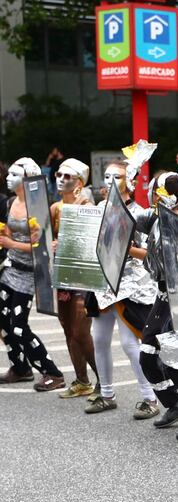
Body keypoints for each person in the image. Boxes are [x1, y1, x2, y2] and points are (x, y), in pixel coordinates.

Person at [83, 161, 159, 419]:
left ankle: (150, 398)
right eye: (106, 176)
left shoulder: (141, 212)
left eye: (117, 176)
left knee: (129, 343)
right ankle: (106, 394)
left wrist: (124, 248)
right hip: (103, 283)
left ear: (131, 181)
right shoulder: (100, 208)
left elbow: (151, 254)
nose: (110, 181)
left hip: (131, 286)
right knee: (99, 339)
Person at [135, 171, 178, 435]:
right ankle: (174, 404)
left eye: (159, 193)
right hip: (162, 295)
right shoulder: (155, 218)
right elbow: (128, 219)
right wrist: (126, 187)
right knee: (148, 357)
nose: (155, 197)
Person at [0, 158, 66, 390]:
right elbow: (9, 233)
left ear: (27, 179)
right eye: (9, 173)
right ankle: (20, 368)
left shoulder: (37, 207)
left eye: (14, 174)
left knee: (19, 326)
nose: (8, 177)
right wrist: (5, 237)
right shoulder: (11, 203)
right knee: (2, 321)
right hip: (10, 268)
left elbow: (43, 247)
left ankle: (53, 373)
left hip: (28, 273)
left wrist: (10, 243)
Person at [50, 158, 98, 398]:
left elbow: (92, 244)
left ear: (79, 182)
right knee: (67, 329)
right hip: (62, 275)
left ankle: (103, 379)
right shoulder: (54, 208)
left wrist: (64, 244)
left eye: (67, 176)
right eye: (58, 174)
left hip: (84, 277)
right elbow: (45, 241)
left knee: (81, 331)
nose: (60, 179)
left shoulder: (87, 205)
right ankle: (82, 381)